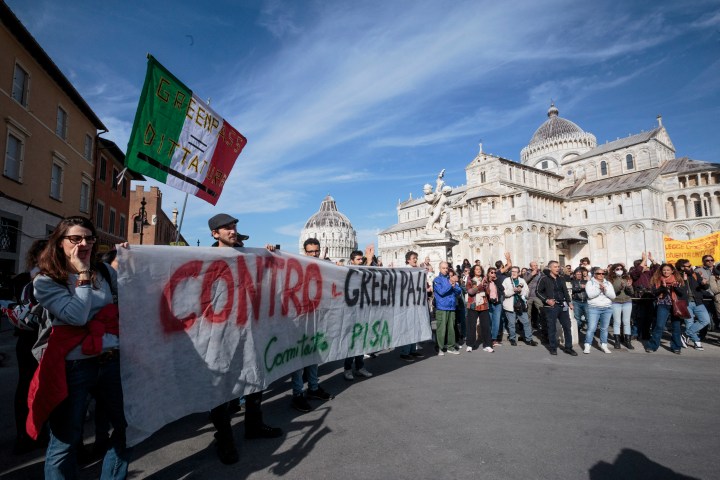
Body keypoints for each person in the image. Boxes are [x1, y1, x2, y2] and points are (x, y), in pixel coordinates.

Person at [30, 216, 128, 479]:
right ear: (60, 243)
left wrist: (132, 260)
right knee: (65, 441)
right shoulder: (46, 280)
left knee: (123, 427)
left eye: (89, 238)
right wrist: (83, 274)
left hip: (109, 361)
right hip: (73, 367)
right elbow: (76, 316)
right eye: (75, 238)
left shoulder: (106, 272)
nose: (83, 243)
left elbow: (128, 302)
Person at [207, 213, 282, 465]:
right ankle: (225, 437)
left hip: (249, 330)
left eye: (234, 226)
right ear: (215, 234)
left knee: (254, 377)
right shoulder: (204, 259)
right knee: (220, 386)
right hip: (218, 334)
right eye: (226, 228)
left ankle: (254, 424)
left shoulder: (248, 257)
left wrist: (269, 253)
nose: (233, 230)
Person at [5, 239, 47, 454]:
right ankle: (28, 433)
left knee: (32, 387)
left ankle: (30, 432)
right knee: (29, 386)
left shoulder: (23, 278)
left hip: (30, 338)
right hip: (35, 339)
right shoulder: (38, 279)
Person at [290, 238, 333, 412]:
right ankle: (297, 394)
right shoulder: (297, 267)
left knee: (314, 356)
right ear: (304, 251)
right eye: (310, 252)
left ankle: (313, 388)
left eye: (316, 251)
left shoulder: (325, 268)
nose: (314, 254)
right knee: (298, 360)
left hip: (317, 319)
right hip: (299, 319)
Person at [343, 250, 374, 378]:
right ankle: (348, 369)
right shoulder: (346, 272)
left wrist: (370, 260)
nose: (361, 261)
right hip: (350, 312)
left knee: (361, 341)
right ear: (352, 261)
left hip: (363, 311)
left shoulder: (363, 272)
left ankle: (360, 366)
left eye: (362, 259)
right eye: (358, 259)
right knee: (351, 342)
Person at [536, 260, 577, 356]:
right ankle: (553, 347)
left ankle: (568, 348)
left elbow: (565, 292)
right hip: (551, 307)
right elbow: (538, 291)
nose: (557, 268)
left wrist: (569, 302)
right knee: (552, 328)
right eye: (555, 266)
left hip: (563, 306)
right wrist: (547, 300)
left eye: (558, 266)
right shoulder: (544, 279)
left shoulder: (561, 278)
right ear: (550, 268)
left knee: (567, 327)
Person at [646, 263, 686, 354]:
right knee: (659, 325)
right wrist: (663, 287)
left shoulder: (678, 280)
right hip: (662, 304)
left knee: (676, 327)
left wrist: (675, 287)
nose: (666, 271)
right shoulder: (657, 280)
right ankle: (652, 346)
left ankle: (676, 347)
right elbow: (654, 293)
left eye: (668, 270)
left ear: (672, 271)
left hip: (676, 305)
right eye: (664, 270)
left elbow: (683, 293)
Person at [675, 259, 710, 351]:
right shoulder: (676, 276)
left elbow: (704, 287)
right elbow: (678, 291)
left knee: (706, 320)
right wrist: (684, 281)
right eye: (689, 266)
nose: (691, 267)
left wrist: (704, 283)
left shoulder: (695, 274)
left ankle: (685, 334)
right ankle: (697, 342)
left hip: (698, 301)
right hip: (685, 302)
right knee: (689, 322)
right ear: (682, 267)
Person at [398, 251, 426, 361]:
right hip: (407, 304)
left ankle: (412, 350)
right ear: (408, 260)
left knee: (415, 327)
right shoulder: (405, 270)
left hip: (416, 303)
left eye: (416, 258)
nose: (415, 260)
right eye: (414, 258)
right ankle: (405, 352)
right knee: (408, 328)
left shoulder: (417, 270)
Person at [502, 267, 537, 346]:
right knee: (511, 324)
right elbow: (504, 293)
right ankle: (512, 339)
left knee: (526, 322)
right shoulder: (506, 281)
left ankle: (529, 339)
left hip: (521, 305)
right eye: (512, 271)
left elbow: (527, 292)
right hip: (509, 305)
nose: (513, 273)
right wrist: (513, 290)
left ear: (519, 273)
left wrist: (521, 291)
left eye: (515, 272)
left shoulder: (522, 281)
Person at [584, 267, 615, 354]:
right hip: (594, 308)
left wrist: (605, 290)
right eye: (599, 273)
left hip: (607, 308)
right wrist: (599, 289)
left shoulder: (608, 283)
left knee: (604, 328)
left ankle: (604, 345)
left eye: (603, 273)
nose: (601, 275)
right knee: (591, 328)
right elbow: (590, 295)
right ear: (594, 274)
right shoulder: (590, 283)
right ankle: (587, 345)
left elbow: (613, 296)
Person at [433, 262, 462, 355]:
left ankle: (451, 346)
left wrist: (454, 286)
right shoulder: (437, 280)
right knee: (441, 329)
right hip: (442, 307)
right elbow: (441, 292)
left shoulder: (450, 278)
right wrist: (450, 283)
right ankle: (439, 347)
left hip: (451, 307)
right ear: (439, 268)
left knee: (451, 328)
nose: (445, 269)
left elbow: (458, 291)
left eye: (446, 268)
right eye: (443, 268)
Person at [466, 264, 494, 352]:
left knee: (486, 325)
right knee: (471, 325)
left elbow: (488, 292)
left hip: (484, 304)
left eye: (480, 269)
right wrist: (480, 285)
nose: (479, 270)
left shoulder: (484, 279)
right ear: (473, 271)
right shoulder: (470, 279)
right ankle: (470, 344)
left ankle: (488, 345)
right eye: (476, 269)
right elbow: (470, 292)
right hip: (473, 305)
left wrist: (487, 285)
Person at [609, 263, 634, 349]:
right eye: (617, 269)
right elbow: (611, 292)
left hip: (627, 301)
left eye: (621, 268)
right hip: (616, 302)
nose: (619, 270)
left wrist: (629, 286)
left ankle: (628, 341)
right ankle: (617, 342)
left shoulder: (627, 278)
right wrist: (619, 288)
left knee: (627, 322)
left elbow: (631, 293)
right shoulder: (610, 279)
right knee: (617, 322)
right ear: (613, 270)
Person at [570, 267, 589, 332]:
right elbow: (572, 290)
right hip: (576, 301)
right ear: (574, 275)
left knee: (588, 317)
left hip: (586, 301)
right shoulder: (572, 282)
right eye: (577, 274)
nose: (579, 275)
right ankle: (578, 329)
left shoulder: (586, 281)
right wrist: (580, 287)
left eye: (580, 274)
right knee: (577, 318)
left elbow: (590, 289)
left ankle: (590, 332)